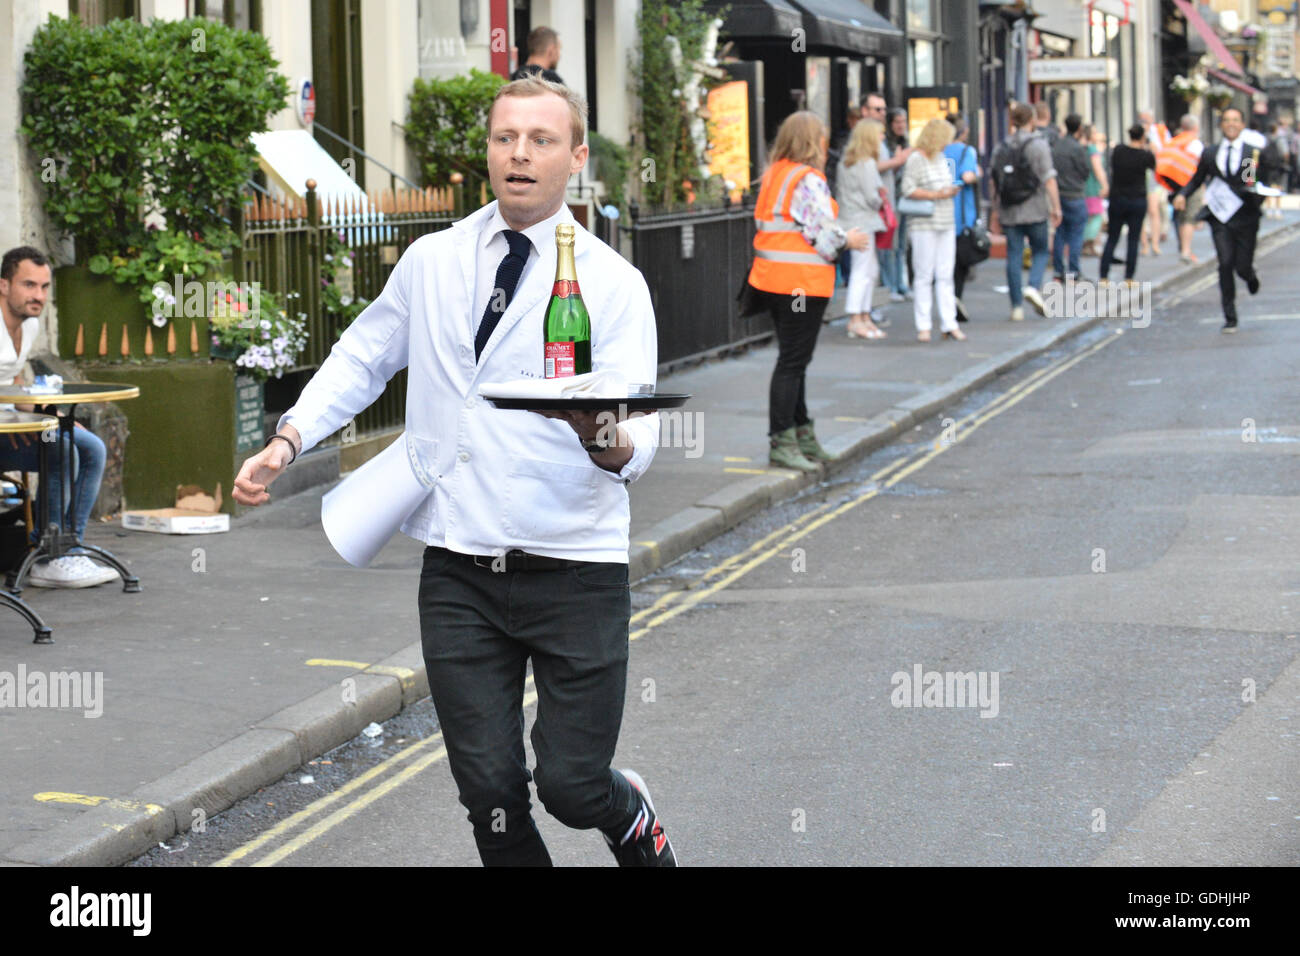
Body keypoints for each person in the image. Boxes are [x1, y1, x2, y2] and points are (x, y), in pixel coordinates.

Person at [235, 76, 674, 867]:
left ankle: (629, 814)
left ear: (575, 157)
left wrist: (596, 430)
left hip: (574, 563)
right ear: (488, 152)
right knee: (491, 795)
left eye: (542, 141)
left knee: (570, 786)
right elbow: (366, 355)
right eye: (506, 138)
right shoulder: (431, 259)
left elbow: (637, 437)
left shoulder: (614, 284)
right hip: (461, 567)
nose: (520, 154)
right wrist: (290, 436)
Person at [745, 110, 869, 472]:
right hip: (802, 283)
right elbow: (824, 236)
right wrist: (851, 238)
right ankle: (783, 440)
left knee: (792, 360)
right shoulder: (808, 179)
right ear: (814, 141)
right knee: (793, 363)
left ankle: (800, 435)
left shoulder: (774, 176)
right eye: (823, 136)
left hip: (771, 280)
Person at [0, 247, 116, 588]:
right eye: (29, 285)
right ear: (4, 285)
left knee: (89, 445)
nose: (38, 295)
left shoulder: (30, 325)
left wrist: (48, 414)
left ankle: (69, 548)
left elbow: (13, 386)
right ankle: (45, 555)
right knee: (61, 449)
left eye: (44, 287)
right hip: (3, 430)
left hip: (12, 424)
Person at [1173, 107, 1266, 334]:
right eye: (1227, 120)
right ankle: (1230, 316)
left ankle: (1250, 276)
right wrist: (1182, 194)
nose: (1231, 124)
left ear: (1242, 124)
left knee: (1241, 266)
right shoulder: (1210, 153)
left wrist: (1258, 194)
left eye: (1236, 120)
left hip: (1245, 217)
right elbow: (1196, 179)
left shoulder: (1250, 153)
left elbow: (1250, 183)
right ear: (1221, 125)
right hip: (1220, 218)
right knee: (1225, 263)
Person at [991, 102, 1061, 321]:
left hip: (1010, 209)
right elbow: (1049, 179)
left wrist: (995, 211)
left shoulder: (1002, 146)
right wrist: (1056, 207)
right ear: (1031, 120)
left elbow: (995, 181)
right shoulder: (1038, 145)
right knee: (1040, 250)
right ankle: (1032, 285)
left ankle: (1016, 308)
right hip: (1036, 208)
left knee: (1014, 254)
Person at [900, 118, 962, 343]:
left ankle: (950, 323)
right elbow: (907, 189)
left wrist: (949, 191)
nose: (948, 143)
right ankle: (923, 325)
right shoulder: (916, 159)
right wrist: (937, 195)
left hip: (946, 221)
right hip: (923, 223)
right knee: (924, 274)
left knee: (946, 274)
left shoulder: (941, 158)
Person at [837, 118, 887, 339]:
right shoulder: (866, 163)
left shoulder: (845, 162)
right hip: (864, 220)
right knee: (864, 271)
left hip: (849, 219)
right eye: (879, 134)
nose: (882, 138)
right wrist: (881, 198)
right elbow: (872, 197)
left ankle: (863, 316)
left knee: (868, 269)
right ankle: (856, 318)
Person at [1099, 123, 1156, 285]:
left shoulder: (1118, 151)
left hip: (1117, 199)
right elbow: (1154, 165)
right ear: (1142, 136)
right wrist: (1149, 147)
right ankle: (1129, 278)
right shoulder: (1144, 155)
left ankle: (1104, 276)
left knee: (1112, 238)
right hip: (1137, 200)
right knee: (1133, 239)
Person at [943, 116, 980, 321]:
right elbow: (967, 176)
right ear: (963, 131)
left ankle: (950, 300)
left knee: (945, 263)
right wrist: (976, 174)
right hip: (962, 214)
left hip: (940, 212)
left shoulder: (939, 151)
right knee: (960, 263)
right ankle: (955, 298)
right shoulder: (967, 151)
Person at [1155, 113, 1206, 263]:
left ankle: (1182, 247)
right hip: (1191, 186)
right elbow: (1200, 168)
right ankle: (1186, 251)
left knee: (1180, 218)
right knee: (1189, 219)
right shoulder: (1195, 143)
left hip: (1175, 185)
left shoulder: (1174, 141)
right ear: (1195, 127)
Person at [1050, 114, 1092, 282]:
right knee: (1076, 234)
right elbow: (1085, 171)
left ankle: (1058, 271)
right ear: (1079, 128)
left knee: (1060, 233)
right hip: (1075, 195)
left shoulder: (1057, 145)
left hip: (1059, 195)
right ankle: (1074, 271)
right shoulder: (1078, 148)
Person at [883, 107, 915, 302]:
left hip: (905, 198)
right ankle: (891, 285)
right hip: (890, 199)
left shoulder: (906, 143)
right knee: (890, 245)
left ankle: (901, 284)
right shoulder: (885, 145)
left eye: (903, 121)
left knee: (902, 244)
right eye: (897, 122)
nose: (901, 125)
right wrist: (898, 160)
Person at [1082, 125, 1110, 257]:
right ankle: (1089, 242)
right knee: (1096, 216)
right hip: (1093, 187)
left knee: (1089, 217)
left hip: (1084, 187)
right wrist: (1105, 185)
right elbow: (1098, 169)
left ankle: (1089, 244)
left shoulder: (1082, 149)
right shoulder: (1092, 150)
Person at [1260, 122, 1288, 220]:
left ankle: (1269, 209)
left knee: (1268, 187)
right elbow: (1285, 153)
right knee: (1278, 187)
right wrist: (1285, 162)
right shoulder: (1280, 139)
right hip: (1278, 167)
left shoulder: (1265, 138)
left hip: (1267, 167)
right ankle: (1277, 209)